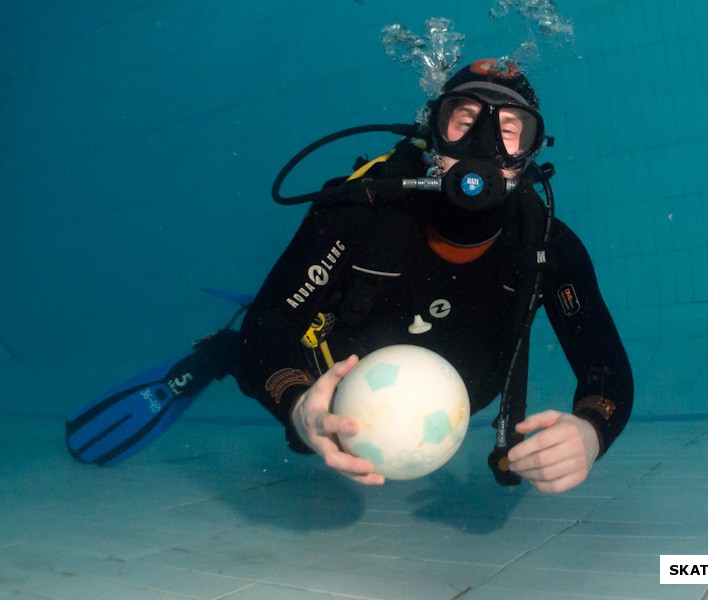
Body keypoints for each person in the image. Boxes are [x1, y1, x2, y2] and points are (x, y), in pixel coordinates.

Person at [234, 58, 633, 493]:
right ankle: (213, 356)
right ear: (431, 134)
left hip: (464, 392)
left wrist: (592, 433)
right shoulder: (360, 212)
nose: (483, 145)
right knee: (268, 386)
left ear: (529, 157)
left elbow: (606, 368)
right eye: (463, 121)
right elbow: (266, 328)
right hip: (339, 381)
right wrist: (298, 406)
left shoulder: (545, 247)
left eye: (510, 131)